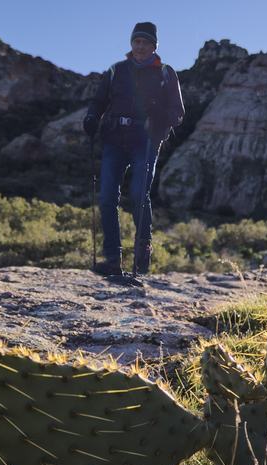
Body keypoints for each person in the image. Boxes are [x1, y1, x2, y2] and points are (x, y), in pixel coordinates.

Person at [83, 21, 185, 281]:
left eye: (145, 42)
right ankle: (113, 260)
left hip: (146, 140)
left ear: (153, 46)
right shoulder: (116, 71)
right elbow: (98, 100)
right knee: (106, 197)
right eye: (136, 41)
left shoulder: (165, 73)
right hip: (114, 138)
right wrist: (92, 117)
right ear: (131, 44)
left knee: (139, 193)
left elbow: (178, 113)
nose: (140, 46)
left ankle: (142, 252)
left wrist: (158, 117)